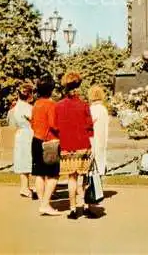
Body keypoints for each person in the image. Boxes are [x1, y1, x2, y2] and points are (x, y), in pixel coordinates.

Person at [55, 72, 96, 220]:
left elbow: (55, 126)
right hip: (83, 145)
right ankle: (85, 206)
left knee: (71, 178)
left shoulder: (58, 106)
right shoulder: (84, 105)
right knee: (84, 178)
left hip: (67, 146)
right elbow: (90, 127)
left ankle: (72, 209)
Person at [31, 74, 61, 216]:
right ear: (51, 89)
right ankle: (45, 204)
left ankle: (43, 202)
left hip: (36, 140)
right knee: (53, 175)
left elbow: (32, 122)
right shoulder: (51, 104)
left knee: (39, 174)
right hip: (49, 142)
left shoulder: (36, 104)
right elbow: (53, 124)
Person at [9, 83, 35, 198]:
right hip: (28, 134)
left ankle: (24, 187)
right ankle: (26, 187)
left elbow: (11, 123)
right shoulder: (27, 108)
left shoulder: (14, 108)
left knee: (22, 160)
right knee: (29, 160)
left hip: (19, 134)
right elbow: (34, 119)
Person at [88, 85, 109, 177]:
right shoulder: (103, 109)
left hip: (91, 139)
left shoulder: (91, 109)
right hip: (102, 138)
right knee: (100, 158)